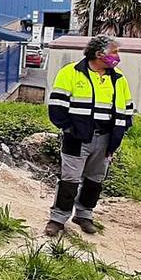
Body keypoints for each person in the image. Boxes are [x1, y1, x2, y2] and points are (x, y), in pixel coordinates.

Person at [44, 35, 134, 237]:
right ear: (99, 54)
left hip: (106, 139)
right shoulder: (71, 73)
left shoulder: (118, 78)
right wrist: (69, 129)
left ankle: (84, 215)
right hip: (77, 138)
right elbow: (57, 106)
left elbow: (127, 108)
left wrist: (121, 130)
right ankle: (58, 219)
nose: (117, 56)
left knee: (95, 180)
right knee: (70, 180)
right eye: (114, 52)